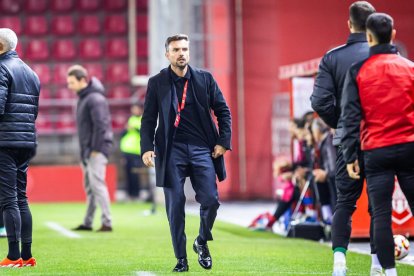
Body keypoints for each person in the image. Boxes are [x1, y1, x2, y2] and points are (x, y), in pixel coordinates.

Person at [140, 34, 231, 272]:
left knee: (211, 200)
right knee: (175, 204)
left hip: (203, 149)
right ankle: (181, 259)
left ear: (189, 52)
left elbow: (223, 111)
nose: (181, 53)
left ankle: (201, 241)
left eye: (184, 49)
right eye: (176, 49)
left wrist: (223, 141)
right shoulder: (157, 82)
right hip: (172, 151)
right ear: (167, 54)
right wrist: (147, 148)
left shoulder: (204, 79)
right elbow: (148, 119)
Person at [342, 13, 414, 276]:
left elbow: (350, 117)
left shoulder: (357, 71)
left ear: (368, 37)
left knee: (381, 214)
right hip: (409, 148)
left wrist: (350, 156)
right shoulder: (411, 68)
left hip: (376, 151)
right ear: (393, 35)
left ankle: (390, 273)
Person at [309, 2, 379, 275]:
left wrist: (341, 125)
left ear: (349, 24)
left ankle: (339, 262)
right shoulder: (387, 57)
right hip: (380, 140)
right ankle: (377, 265)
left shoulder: (333, 57)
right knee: (379, 206)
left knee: (345, 203)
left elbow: (319, 101)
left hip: (346, 142)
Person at [0, 28, 39, 268]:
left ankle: (13, 256)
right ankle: (26, 255)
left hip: (4, 141)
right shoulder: (31, 72)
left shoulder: (1, 68)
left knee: (8, 199)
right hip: (26, 141)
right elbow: (34, 112)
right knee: (21, 198)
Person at [67, 65, 114, 232]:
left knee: (97, 185)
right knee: (91, 187)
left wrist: (96, 149)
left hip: (96, 150)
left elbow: (101, 126)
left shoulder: (94, 98)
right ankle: (88, 222)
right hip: (88, 150)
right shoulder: (85, 98)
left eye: (72, 82)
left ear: (82, 80)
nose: (69, 86)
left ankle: (107, 222)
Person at [120, 102, 145, 201]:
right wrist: (125, 130)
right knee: (127, 174)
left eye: (136, 109)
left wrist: (133, 129)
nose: (134, 111)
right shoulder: (131, 119)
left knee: (135, 174)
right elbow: (123, 134)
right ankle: (129, 194)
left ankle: (136, 194)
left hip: (135, 152)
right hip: (127, 151)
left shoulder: (143, 119)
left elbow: (143, 133)